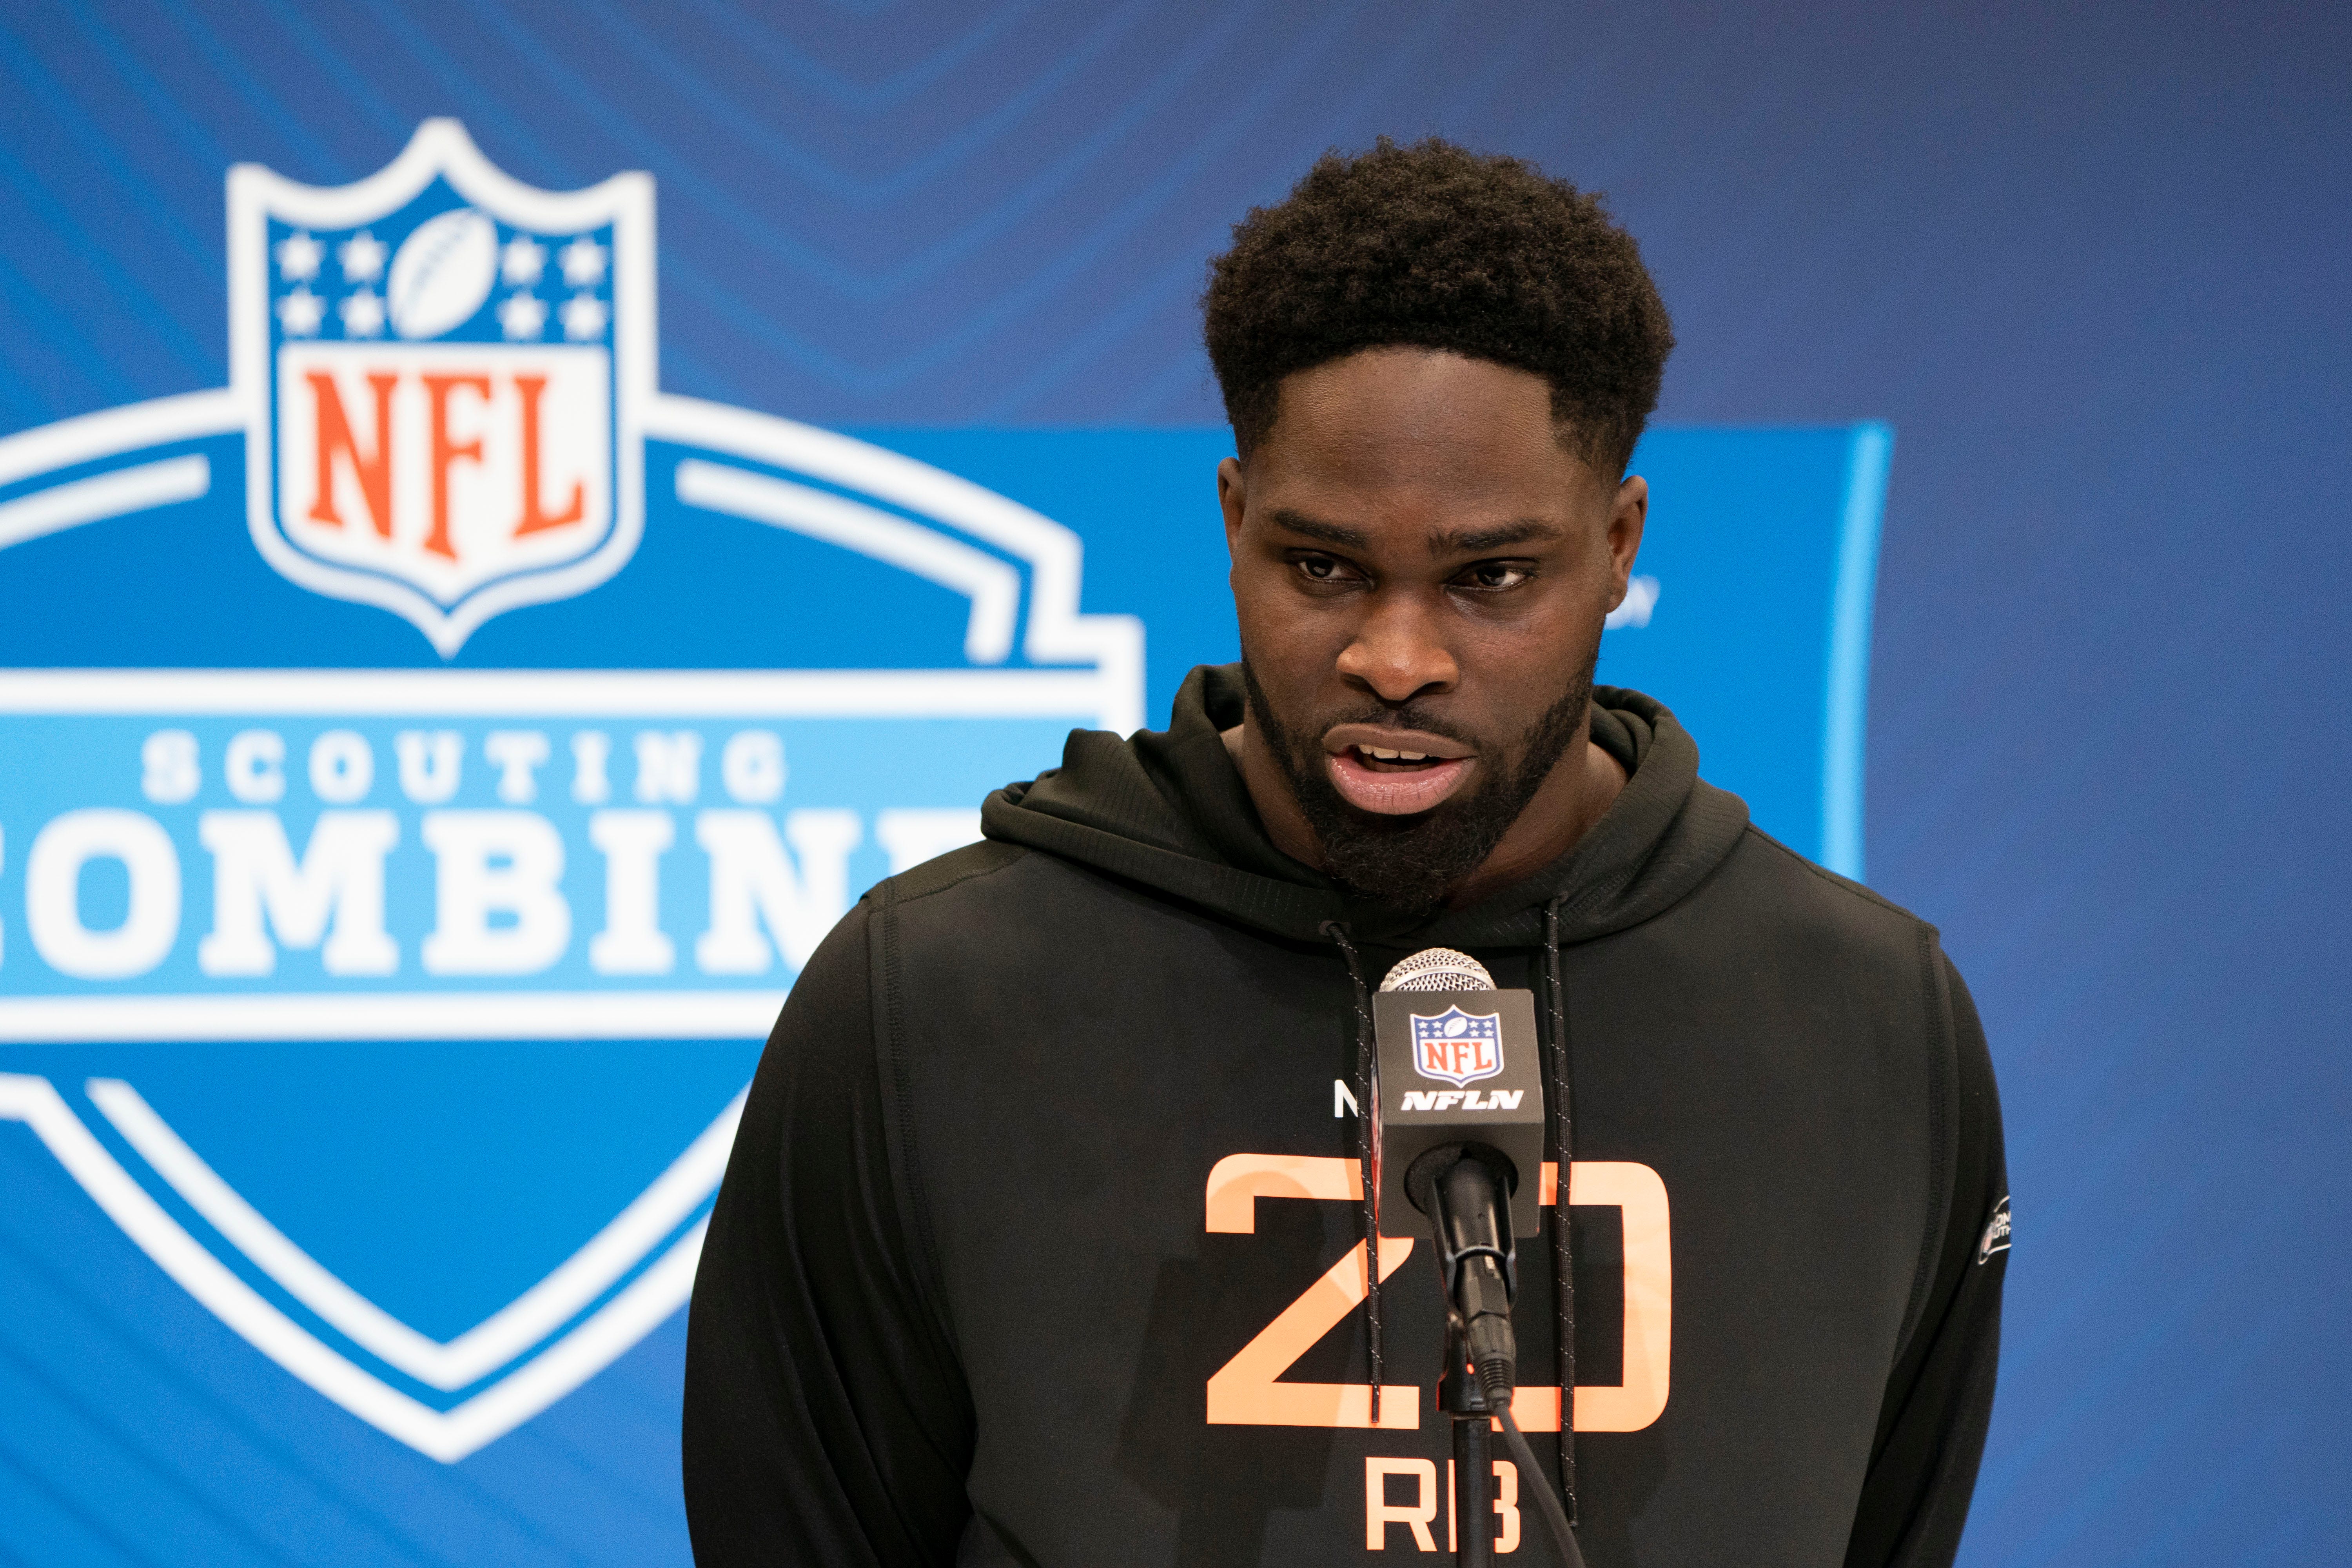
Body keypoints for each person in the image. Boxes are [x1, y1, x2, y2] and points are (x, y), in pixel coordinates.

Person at [682, 137, 2007, 1567]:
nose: (1395, 658)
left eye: (1490, 578)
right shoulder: (931, 1001)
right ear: (1236, 520)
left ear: (1619, 545)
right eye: (1323, 569)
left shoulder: (1870, 1022)